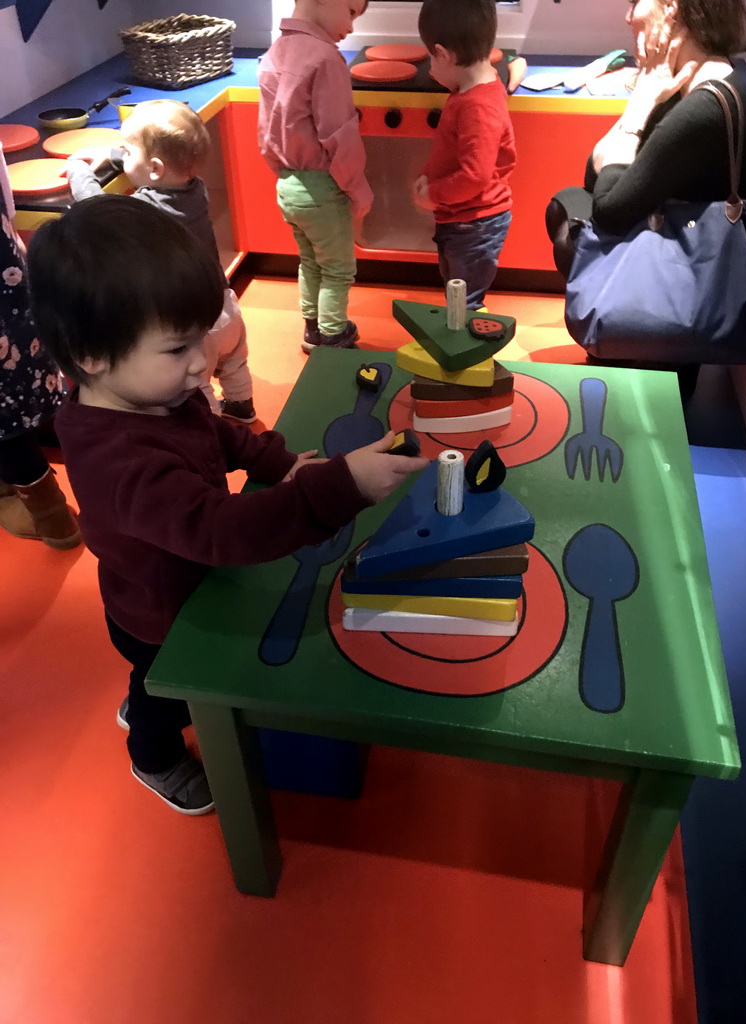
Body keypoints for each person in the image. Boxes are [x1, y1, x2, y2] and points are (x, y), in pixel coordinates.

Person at [26, 195, 427, 815]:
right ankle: (151, 753)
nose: (200, 365)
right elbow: (225, 533)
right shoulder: (121, 463)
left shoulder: (154, 397)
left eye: (201, 339)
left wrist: (277, 462)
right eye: (177, 348)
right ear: (91, 356)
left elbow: (217, 433)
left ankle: (150, 697)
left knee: (164, 683)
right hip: (160, 615)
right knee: (164, 691)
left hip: (195, 585)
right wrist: (339, 487)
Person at [65, 99, 257, 424]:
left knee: (196, 384)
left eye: (127, 152)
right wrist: (116, 154)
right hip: (225, 304)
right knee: (234, 362)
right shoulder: (196, 189)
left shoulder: (144, 213)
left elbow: (96, 207)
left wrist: (78, 171)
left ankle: (209, 432)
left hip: (193, 321)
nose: (123, 157)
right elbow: (161, 161)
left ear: (154, 168)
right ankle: (241, 405)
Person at [548, 0, 746, 269]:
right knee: (568, 202)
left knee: (571, 233)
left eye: (635, 3)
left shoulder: (704, 107)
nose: (629, 17)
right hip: (695, 247)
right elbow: (595, 175)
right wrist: (646, 92)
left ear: (669, 7)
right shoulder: (689, 84)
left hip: (714, 277)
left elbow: (608, 213)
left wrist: (640, 102)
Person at [258, 0, 373, 353]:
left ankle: (313, 328)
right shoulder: (325, 58)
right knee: (338, 270)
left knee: (310, 261)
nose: (351, 27)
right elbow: (340, 135)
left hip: (288, 185)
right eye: (352, 12)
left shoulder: (275, 53)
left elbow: (266, 133)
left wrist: (285, 175)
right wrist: (359, 190)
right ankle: (334, 337)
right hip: (323, 186)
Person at [0, 143, 81, 550]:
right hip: (9, 290)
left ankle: (53, 519)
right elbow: (8, 210)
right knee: (28, 389)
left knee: (5, 428)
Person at [413, 0, 515, 311]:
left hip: (474, 224)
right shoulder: (475, 89)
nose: (431, 66)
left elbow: (474, 176)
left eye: (432, 56)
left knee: (464, 302)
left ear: (443, 53)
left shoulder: (476, 107)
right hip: (463, 219)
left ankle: (469, 353)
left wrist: (434, 193)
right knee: (457, 294)